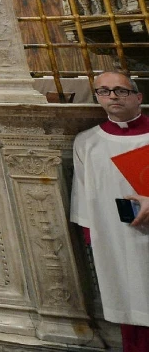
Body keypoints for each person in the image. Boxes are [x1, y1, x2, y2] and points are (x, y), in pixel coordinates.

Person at [71, 71, 149, 352]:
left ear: (138, 97)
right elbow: (83, 195)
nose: (112, 96)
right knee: (130, 303)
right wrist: (93, 238)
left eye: (121, 90)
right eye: (104, 91)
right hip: (116, 239)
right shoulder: (87, 142)